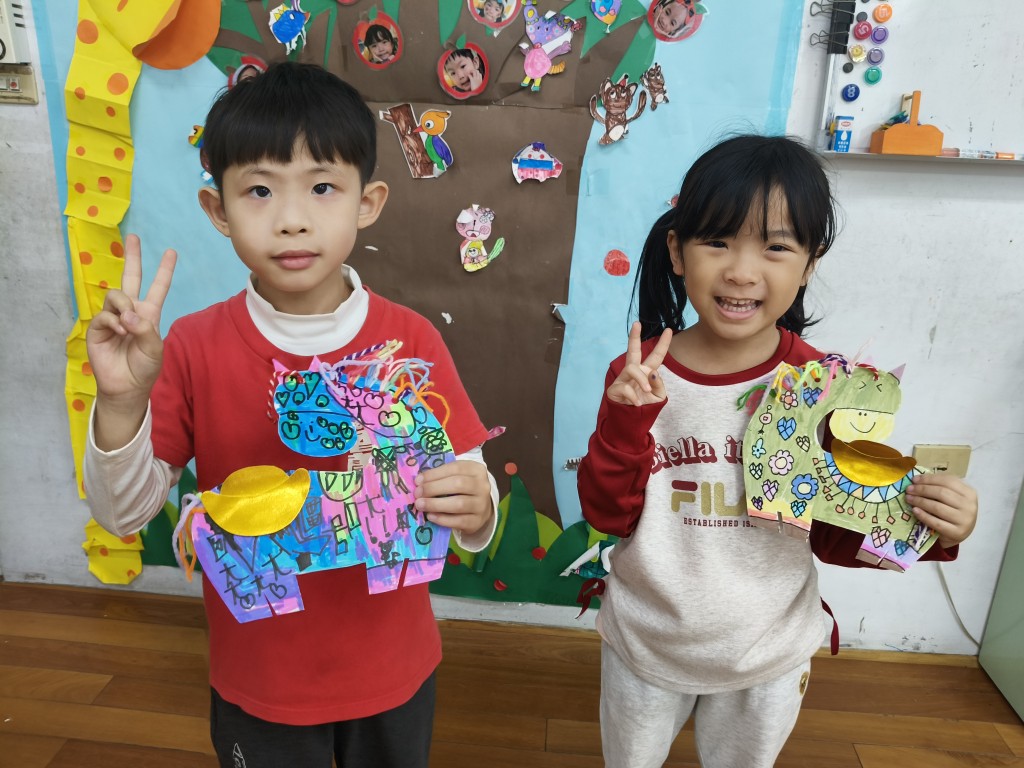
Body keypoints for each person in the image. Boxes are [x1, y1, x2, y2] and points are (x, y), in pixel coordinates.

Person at [83, 62, 498, 768]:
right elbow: (122, 514)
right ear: (218, 210)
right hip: (260, 680)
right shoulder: (192, 346)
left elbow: (470, 489)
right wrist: (122, 404)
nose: (293, 218)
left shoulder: (411, 342)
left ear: (368, 202)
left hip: (395, 671)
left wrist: (477, 506)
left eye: (323, 187)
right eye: (259, 190)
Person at [577, 134, 978, 768]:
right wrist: (628, 422)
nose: (741, 271)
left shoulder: (827, 388)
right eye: (717, 241)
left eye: (776, 246)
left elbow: (836, 531)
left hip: (768, 653)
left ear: (810, 263)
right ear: (677, 251)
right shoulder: (639, 378)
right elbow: (607, 515)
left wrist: (932, 526)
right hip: (646, 644)